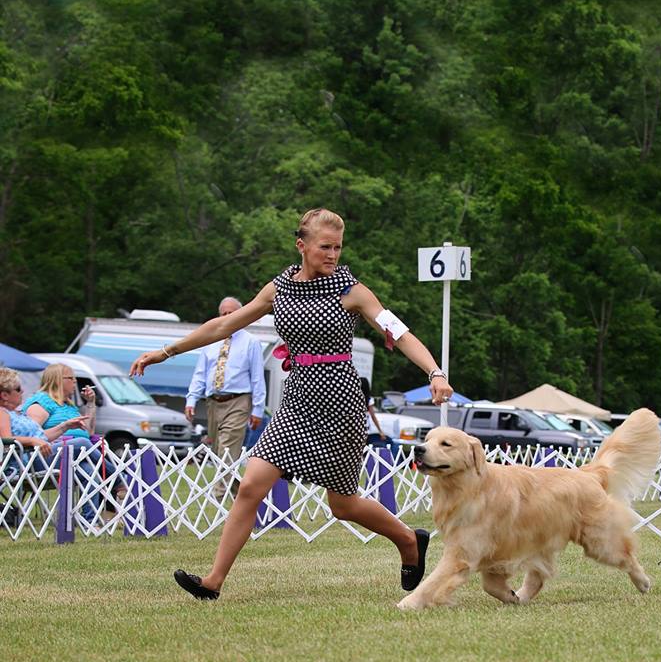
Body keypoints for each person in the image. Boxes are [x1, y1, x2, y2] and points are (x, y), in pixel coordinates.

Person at [130, 207, 455, 601]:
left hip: (341, 404)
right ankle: (213, 582)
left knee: (343, 505)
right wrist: (165, 351)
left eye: (338, 247)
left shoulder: (352, 291)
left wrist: (434, 371)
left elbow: (399, 333)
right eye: (324, 247)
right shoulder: (278, 289)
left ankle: (407, 539)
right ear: (301, 245)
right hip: (297, 400)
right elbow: (222, 326)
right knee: (250, 486)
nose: (333, 255)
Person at [1, 367, 119, 523]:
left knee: (88, 470)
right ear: (4, 395)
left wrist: (66, 426)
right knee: (82, 443)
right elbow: (6, 440)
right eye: (17, 389)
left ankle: (89, 521)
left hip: (40, 456)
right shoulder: (2, 413)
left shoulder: (18, 413)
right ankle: (120, 479)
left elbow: (42, 437)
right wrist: (31, 441)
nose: (23, 391)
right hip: (26, 462)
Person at [184, 296, 267, 498]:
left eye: (232, 313)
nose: (228, 317)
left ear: (240, 314)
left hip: (239, 400)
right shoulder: (210, 340)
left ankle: (219, 494)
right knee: (218, 447)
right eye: (224, 314)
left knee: (229, 446)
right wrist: (191, 399)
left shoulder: (251, 342)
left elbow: (257, 377)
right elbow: (200, 374)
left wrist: (257, 408)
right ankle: (238, 486)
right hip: (213, 401)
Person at [360, 376, 389, 446]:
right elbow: (373, 416)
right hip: (365, 427)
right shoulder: (369, 400)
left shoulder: (354, 398)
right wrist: (380, 431)